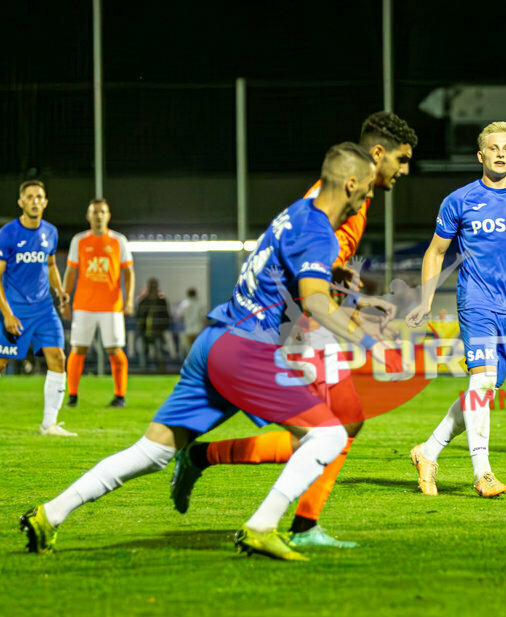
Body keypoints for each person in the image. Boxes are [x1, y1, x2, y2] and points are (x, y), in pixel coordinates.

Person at [20, 142, 381, 561]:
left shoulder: (293, 215)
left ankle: (49, 514)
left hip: (215, 341)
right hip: (246, 349)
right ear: (351, 183)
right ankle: (262, 527)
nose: (370, 196)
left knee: (152, 452)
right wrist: (371, 341)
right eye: (368, 188)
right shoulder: (318, 230)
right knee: (330, 434)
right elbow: (316, 301)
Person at [168, 112, 417, 548]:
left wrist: (346, 291)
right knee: (327, 430)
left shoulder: (351, 194)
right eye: (403, 159)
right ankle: (276, 517)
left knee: (345, 423)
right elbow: (308, 279)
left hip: (308, 323)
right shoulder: (341, 199)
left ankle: (291, 517)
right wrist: (354, 325)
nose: (406, 170)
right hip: (295, 326)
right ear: (378, 155)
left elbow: (325, 273)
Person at [406, 121, 506, 498]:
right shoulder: (459, 200)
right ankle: (484, 473)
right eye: (493, 147)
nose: (500, 153)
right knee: (480, 383)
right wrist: (426, 298)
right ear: (481, 155)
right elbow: (436, 252)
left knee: (485, 390)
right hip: (476, 301)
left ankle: (427, 452)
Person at [0, 180, 75, 436]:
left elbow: (51, 265)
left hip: (44, 309)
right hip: (15, 310)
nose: (34, 200)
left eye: (39, 196)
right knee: (1, 362)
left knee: (58, 358)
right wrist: (7, 313)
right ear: (21, 202)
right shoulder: (8, 234)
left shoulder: (51, 232)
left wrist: (59, 290)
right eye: (29, 197)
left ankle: (49, 425)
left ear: (45, 202)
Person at [63, 198, 135, 408]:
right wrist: (65, 298)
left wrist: (128, 299)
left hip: (111, 306)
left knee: (115, 350)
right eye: (94, 212)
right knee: (78, 349)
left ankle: (120, 396)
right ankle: (72, 396)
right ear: (88, 216)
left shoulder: (118, 240)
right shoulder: (79, 240)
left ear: (108, 215)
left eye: (102, 212)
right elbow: (71, 270)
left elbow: (129, 271)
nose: (98, 216)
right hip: (84, 305)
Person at [136, 278, 172, 372]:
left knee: (159, 351)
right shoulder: (144, 301)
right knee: (145, 351)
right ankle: (145, 370)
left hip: (158, 330)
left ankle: (160, 369)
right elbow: (139, 315)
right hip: (146, 331)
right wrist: (141, 327)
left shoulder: (161, 301)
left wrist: (163, 327)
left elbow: (166, 315)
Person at [175, 288, 206, 355]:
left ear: (187, 294)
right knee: (198, 351)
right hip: (198, 330)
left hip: (188, 331)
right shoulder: (199, 304)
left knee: (189, 352)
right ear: (195, 294)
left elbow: (180, 317)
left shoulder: (183, 304)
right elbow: (204, 318)